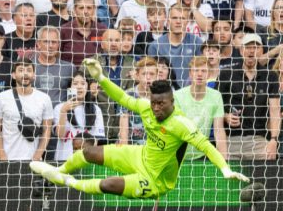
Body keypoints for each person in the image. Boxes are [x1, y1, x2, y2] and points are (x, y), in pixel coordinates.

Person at [30, 58, 248, 200]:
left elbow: (206, 146)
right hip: (138, 155)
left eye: (161, 104)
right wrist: (101, 78)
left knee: (108, 185)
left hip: (155, 179)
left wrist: (224, 168)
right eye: (153, 102)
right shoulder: (146, 107)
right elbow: (123, 97)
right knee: (88, 152)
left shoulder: (181, 124)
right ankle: (58, 173)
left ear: (172, 101)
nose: (155, 108)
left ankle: (70, 182)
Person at [218, 33, 281, 160]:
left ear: (262, 50)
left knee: (266, 170)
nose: (252, 51)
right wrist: (226, 116)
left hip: (258, 140)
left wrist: (274, 140)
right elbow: (215, 106)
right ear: (241, 50)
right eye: (248, 47)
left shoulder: (270, 76)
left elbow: (275, 110)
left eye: (256, 47)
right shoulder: (226, 74)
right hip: (231, 139)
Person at [0, 58, 53, 161]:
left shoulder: (44, 98)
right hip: (7, 158)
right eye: (20, 70)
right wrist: (2, 155)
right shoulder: (2, 98)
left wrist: (37, 156)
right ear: (13, 75)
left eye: (29, 70)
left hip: (34, 160)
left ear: (34, 75)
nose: (25, 74)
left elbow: (47, 130)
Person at [174, 55, 228, 161]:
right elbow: (175, 129)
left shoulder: (216, 96)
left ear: (208, 74)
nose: (199, 74)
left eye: (203, 71)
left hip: (201, 155)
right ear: (190, 73)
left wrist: (224, 160)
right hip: (178, 155)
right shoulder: (178, 96)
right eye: (196, 70)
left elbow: (219, 130)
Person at [53, 71, 105, 161]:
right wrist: (64, 111)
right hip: (64, 159)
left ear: (87, 87)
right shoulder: (59, 108)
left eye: (83, 83)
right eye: (75, 84)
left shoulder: (96, 110)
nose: (79, 86)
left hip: (87, 161)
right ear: (69, 88)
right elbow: (60, 135)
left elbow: (98, 140)